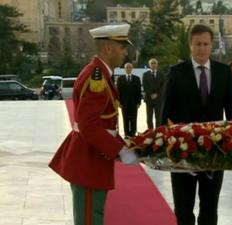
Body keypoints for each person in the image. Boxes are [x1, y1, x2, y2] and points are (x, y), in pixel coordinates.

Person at [48, 24, 139, 225]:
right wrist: (119, 150)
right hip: (88, 160)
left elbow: (106, 122)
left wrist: (124, 146)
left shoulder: (101, 73)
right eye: (122, 46)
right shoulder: (95, 76)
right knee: (89, 219)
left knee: (92, 216)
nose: (125, 51)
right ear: (108, 49)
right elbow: (89, 125)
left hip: (93, 157)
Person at [160, 24, 232, 225]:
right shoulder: (176, 73)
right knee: (184, 211)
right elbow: (165, 115)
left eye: (205, 44)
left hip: (214, 153)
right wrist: (166, 148)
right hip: (182, 154)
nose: (202, 48)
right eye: (198, 44)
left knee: (210, 210)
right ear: (190, 45)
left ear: (212, 45)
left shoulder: (223, 72)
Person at [117, 62, 142, 138]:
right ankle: (127, 134)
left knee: (134, 119)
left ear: (132, 69)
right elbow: (118, 92)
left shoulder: (136, 78)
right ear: (124, 69)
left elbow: (139, 91)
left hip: (134, 103)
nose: (128, 69)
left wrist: (139, 102)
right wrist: (119, 102)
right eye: (127, 67)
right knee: (125, 119)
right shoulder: (120, 79)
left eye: (129, 67)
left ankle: (133, 133)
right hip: (124, 103)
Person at [142, 58, 164, 129]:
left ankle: (158, 131)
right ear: (149, 65)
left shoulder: (161, 74)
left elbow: (163, 86)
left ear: (157, 65)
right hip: (149, 99)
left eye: (155, 63)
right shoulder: (145, 75)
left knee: (158, 117)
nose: (153, 65)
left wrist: (157, 94)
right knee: (149, 117)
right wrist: (151, 94)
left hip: (158, 99)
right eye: (152, 63)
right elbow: (145, 86)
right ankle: (150, 132)